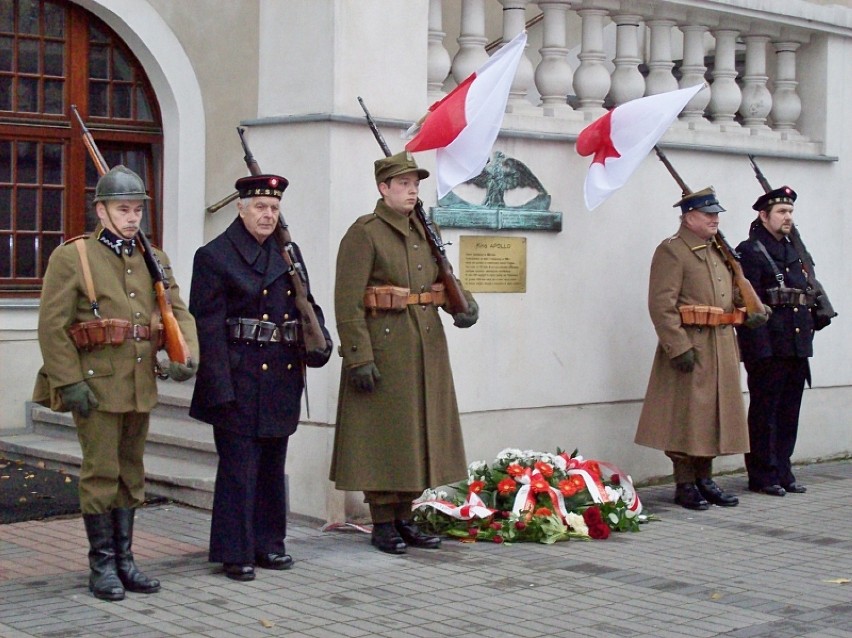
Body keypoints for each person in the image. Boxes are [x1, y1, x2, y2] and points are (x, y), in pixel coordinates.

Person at [33, 165, 199, 601]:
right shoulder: (75, 257)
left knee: (131, 474)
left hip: (139, 382)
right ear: (101, 211)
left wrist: (186, 355)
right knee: (100, 474)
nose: (132, 218)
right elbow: (53, 326)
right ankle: (102, 566)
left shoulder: (153, 258)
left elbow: (178, 311)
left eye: (137, 210)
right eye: (123, 209)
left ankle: (126, 561)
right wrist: (68, 381)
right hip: (96, 385)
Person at [330, 151, 479, 554]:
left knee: (417, 435)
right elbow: (347, 301)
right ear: (383, 188)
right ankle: (382, 521)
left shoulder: (423, 230)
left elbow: (439, 278)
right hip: (385, 347)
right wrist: (359, 355)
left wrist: (462, 302)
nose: (412, 191)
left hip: (426, 347)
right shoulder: (365, 232)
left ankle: (405, 518)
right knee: (385, 438)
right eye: (403, 184)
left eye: (415, 185)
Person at [189, 173, 332, 582]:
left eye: (273, 208)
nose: (267, 215)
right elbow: (208, 329)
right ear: (240, 207)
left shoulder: (288, 252)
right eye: (259, 207)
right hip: (238, 377)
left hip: (281, 375)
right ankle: (234, 551)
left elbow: (307, 302)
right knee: (238, 469)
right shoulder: (215, 256)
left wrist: (319, 338)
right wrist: (218, 387)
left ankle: (270, 544)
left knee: (272, 465)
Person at [634, 187, 767, 510]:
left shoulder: (718, 251)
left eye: (716, 214)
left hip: (721, 344)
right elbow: (661, 305)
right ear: (689, 217)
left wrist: (749, 308)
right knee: (686, 417)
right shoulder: (673, 251)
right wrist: (677, 347)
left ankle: (705, 479)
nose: (715, 219)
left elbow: (730, 292)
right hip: (691, 344)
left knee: (713, 417)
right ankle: (684, 483)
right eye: (708, 214)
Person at [736, 185, 821, 496]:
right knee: (765, 413)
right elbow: (748, 303)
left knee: (788, 413)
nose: (788, 217)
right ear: (763, 215)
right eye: (782, 212)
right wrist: (759, 350)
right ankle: (762, 474)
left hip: (796, 347)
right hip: (768, 347)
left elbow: (804, 298)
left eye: (790, 212)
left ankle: (783, 469)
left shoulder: (794, 251)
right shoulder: (751, 251)